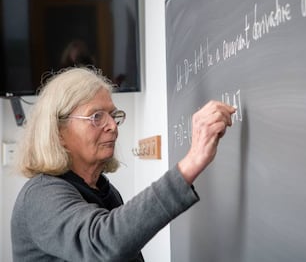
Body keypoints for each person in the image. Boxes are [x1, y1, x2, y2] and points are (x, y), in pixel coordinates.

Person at [11, 67, 236, 261]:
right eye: (96, 116)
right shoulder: (39, 195)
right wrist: (192, 161)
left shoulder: (103, 190)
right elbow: (102, 243)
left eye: (113, 115)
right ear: (59, 132)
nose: (113, 126)